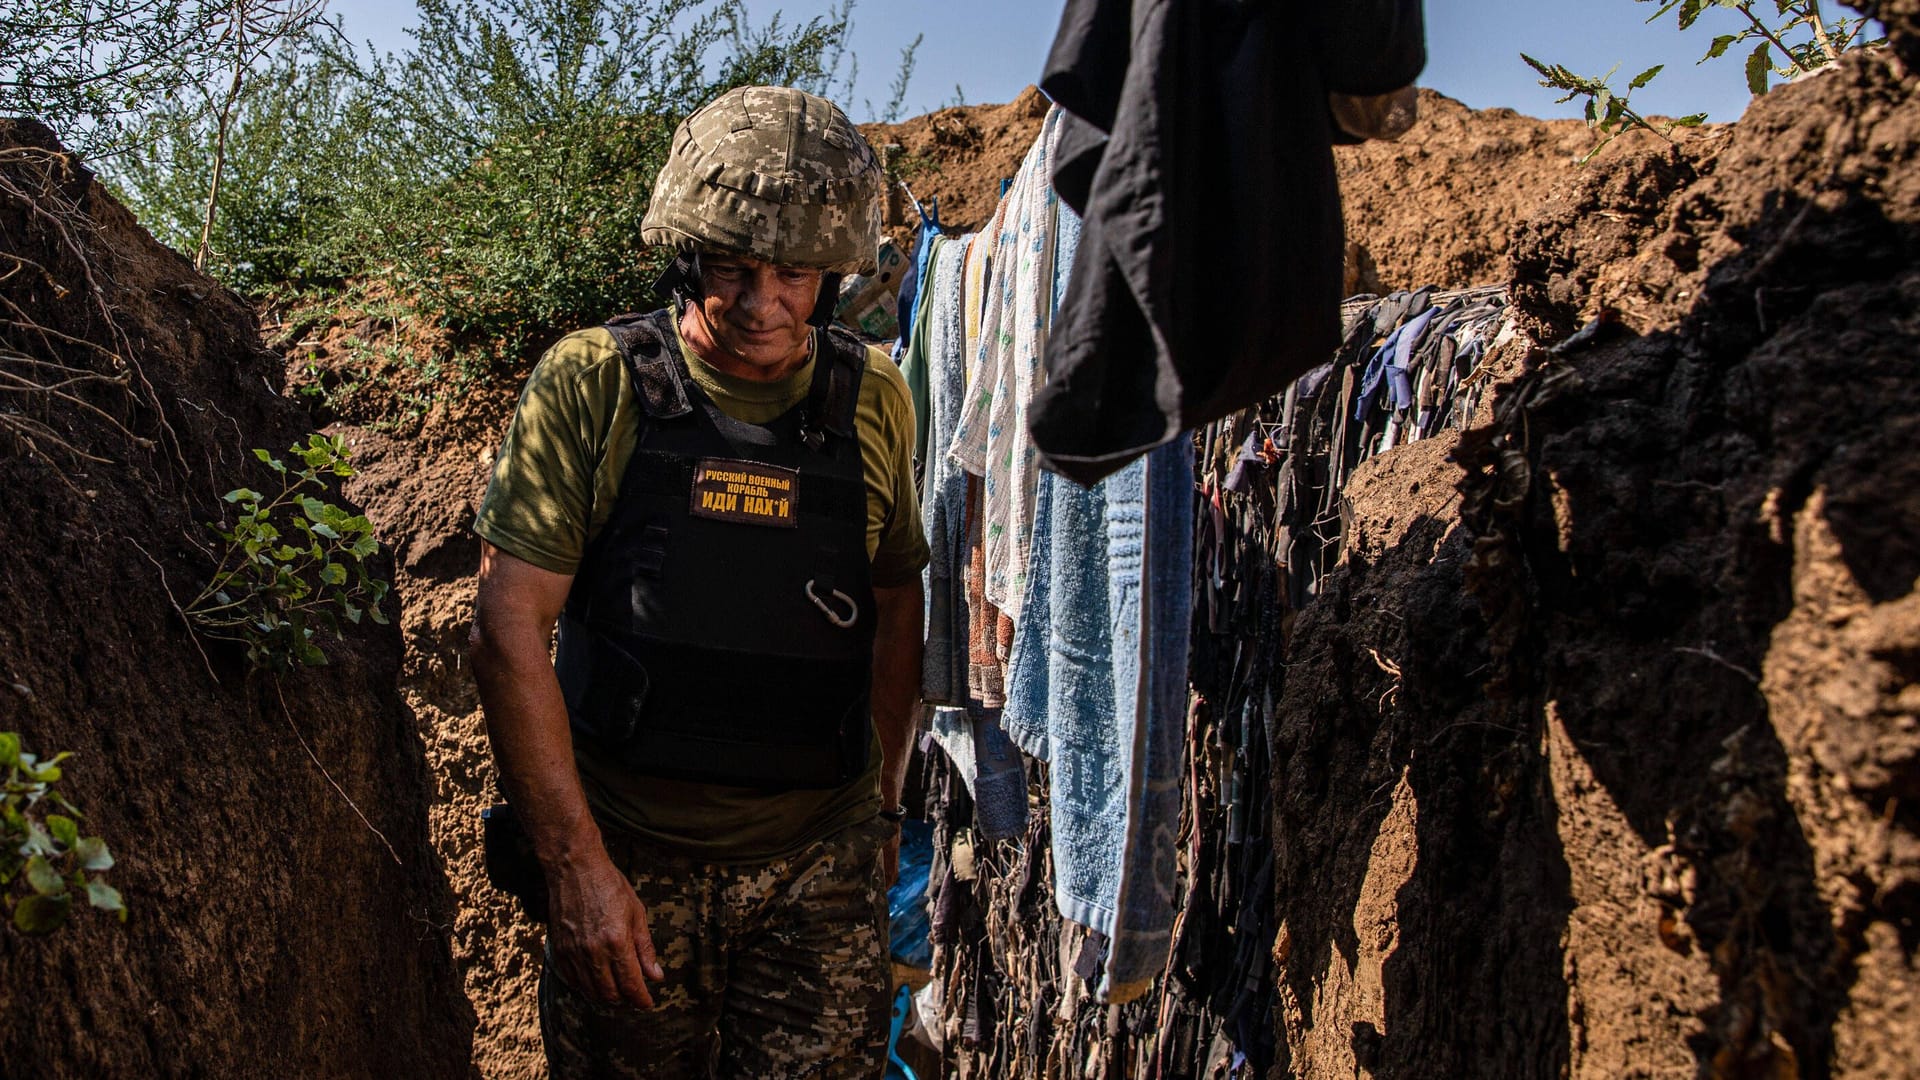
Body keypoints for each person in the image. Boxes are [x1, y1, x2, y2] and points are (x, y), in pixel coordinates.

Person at [467, 84, 928, 1079]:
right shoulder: (593, 382)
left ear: (839, 277)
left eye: (797, 274)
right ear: (687, 251)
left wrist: (884, 813)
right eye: (731, 265)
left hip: (819, 863)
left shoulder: (875, 397)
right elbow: (508, 623)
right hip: (632, 860)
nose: (760, 302)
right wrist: (575, 868)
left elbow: (897, 606)